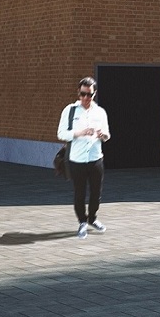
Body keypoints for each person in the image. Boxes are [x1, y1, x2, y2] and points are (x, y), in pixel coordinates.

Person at [57, 77, 112, 238]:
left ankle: (93, 218)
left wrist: (104, 136)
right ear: (78, 93)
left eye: (89, 95)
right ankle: (82, 221)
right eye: (83, 94)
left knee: (96, 193)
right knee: (79, 193)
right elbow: (61, 134)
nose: (86, 98)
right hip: (77, 159)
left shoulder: (100, 112)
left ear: (94, 94)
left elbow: (108, 134)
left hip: (96, 158)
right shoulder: (70, 110)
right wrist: (80, 133)